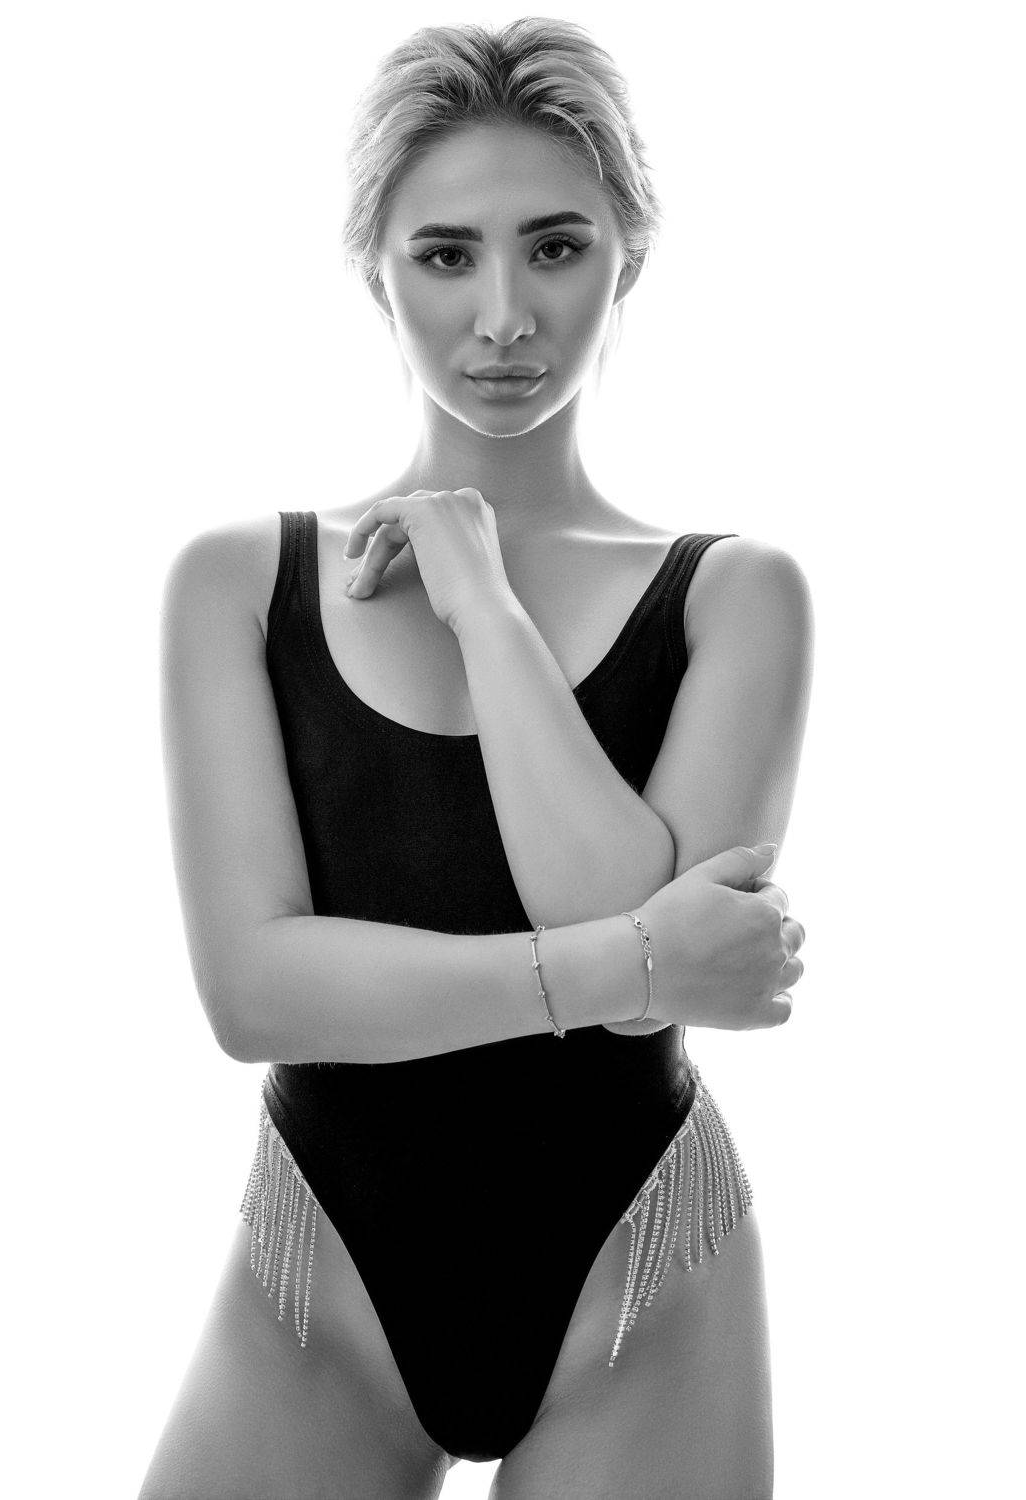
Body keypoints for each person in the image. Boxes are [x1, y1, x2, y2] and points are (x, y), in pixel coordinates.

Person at [138, 17, 811, 1499]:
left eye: (556, 248)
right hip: (319, 1278)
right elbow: (254, 994)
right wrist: (634, 962)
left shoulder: (736, 595)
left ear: (629, 257)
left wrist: (486, 605)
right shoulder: (237, 584)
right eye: (446, 255)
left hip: (644, 1275)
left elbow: (615, 936)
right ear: (374, 269)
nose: (504, 314)